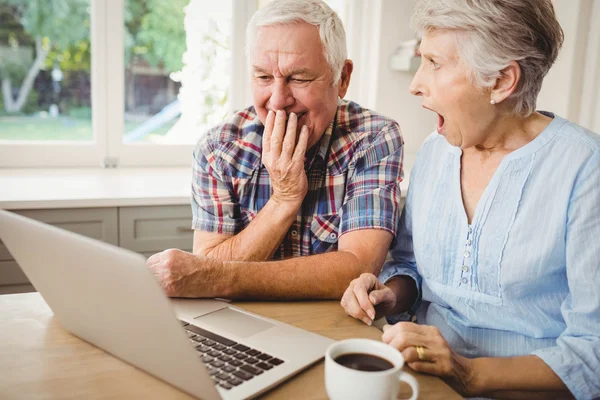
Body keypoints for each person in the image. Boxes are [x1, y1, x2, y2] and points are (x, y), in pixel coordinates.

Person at [340, 0, 600, 398]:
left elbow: (593, 353)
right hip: (423, 384)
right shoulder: (435, 150)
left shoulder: (585, 169)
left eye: (434, 63)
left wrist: (469, 374)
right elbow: (409, 264)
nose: (416, 84)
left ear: (501, 81)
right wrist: (390, 294)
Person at [147, 0, 404, 300]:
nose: (278, 100)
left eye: (299, 78)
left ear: (342, 78)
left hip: (330, 332)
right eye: (264, 77)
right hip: (240, 330)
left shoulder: (373, 138)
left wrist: (223, 275)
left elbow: (358, 267)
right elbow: (204, 269)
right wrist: (283, 200)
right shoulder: (218, 149)